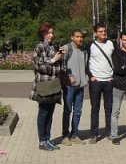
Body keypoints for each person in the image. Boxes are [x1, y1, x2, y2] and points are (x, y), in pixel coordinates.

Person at [29, 23, 63, 151]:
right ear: (43, 34)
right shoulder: (39, 47)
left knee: (50, 114)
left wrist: (61, 58)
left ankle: (48, 139)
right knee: (43, 113)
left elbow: (58, 68)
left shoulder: (53, 46)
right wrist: (53, 60)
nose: (52, 35)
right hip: (44, 85)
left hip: (53, 85)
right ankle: (42, 141)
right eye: (49, 33)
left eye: (52, 33)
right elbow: (40, 66)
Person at [86, 24, 114, 144]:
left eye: (104, 31)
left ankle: (109, 132)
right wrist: (91, 76)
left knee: (109, 109)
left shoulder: (112, 44)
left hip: (108, 81)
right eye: (100, 31)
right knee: (95, 108)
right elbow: (86, 62)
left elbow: (116, 59)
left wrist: (114, 76)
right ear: (95, 33)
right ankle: (94, 134)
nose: (103, 33)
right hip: (96, 82)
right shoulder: (90, 45)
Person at [61, 29, 88, 146]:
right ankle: (65, 136)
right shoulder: (67, 48)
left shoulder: (83, 50)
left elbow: (86, 65)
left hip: (80, 86)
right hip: (69, 86)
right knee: (67, 111)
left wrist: (86, 77)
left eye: (81, 37)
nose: (79, 39)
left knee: (78, 112)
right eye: (77, 37)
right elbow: (61, 64)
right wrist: (68, 76)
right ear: (72, 37)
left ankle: (75, 135)